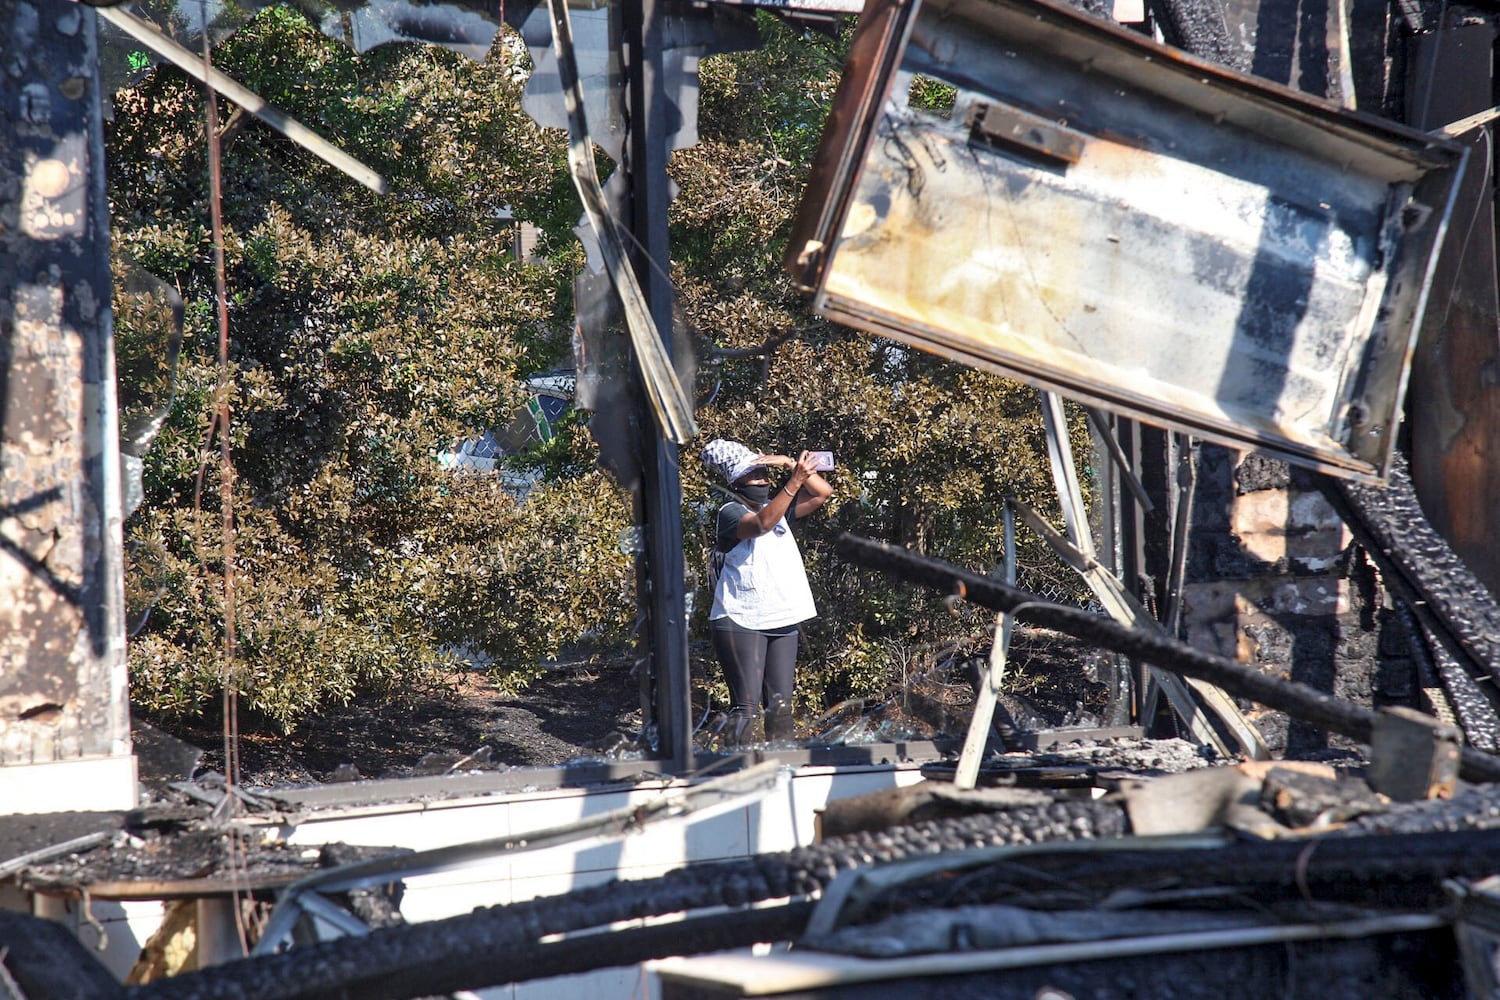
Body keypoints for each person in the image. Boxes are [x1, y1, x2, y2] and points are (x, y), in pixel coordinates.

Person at [700, 439, 833, 744]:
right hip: (740, 620)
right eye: (755, 474)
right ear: (736, 481)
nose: (763, 480)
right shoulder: (730, 512)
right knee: (746, 709)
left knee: (780, 709)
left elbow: (823, 493)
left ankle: (781, 772)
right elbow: (760, 524)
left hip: (781, 618)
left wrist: (789, 464)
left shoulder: (780, 510)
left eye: (764, 472)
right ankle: (736, 772)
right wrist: (794, 481)